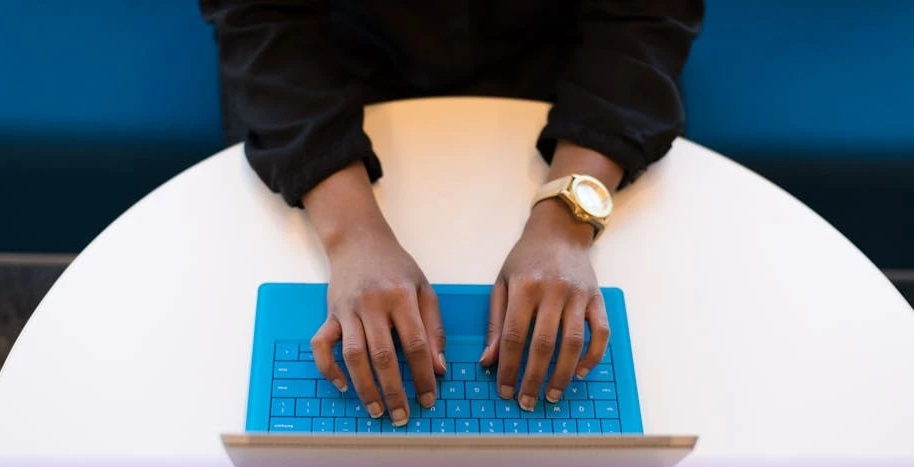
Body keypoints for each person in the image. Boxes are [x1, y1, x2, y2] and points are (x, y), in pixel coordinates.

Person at [200, 0, 703, 427]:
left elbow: (646, 15)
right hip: (330, 77)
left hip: (571, 76)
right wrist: (354, 233)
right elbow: (262, 16)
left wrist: (564, 222)